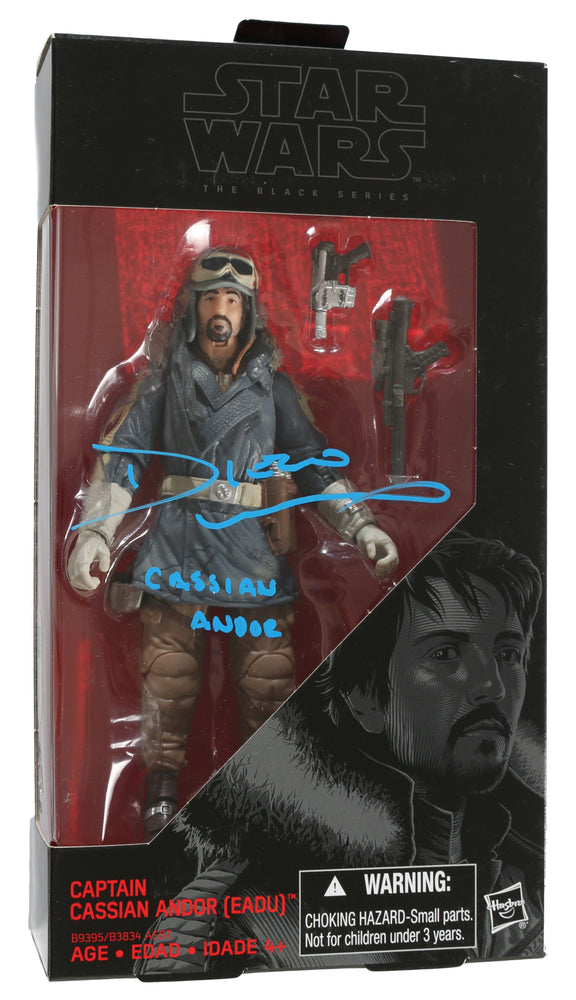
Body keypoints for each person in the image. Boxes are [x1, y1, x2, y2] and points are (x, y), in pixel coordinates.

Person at [66, 247, 399, 835]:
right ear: (193, 307)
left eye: (233, 299)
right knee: (168, 680)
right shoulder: (161, 384)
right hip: (179, 547)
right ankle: (161, 794)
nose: (221, 309)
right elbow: (122, 458)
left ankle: (265, 796)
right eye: (212, 297)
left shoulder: (274, 389)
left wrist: (360, 524)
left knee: (267, 683)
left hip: (253, 552)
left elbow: (314, 463)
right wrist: (96, 533)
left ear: (249, 311)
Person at [140, 531, 543, 976]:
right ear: (363, 696)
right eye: (445, 653)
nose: (493, 685)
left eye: (508, 653)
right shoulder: (235, 923)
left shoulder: (528, 885)